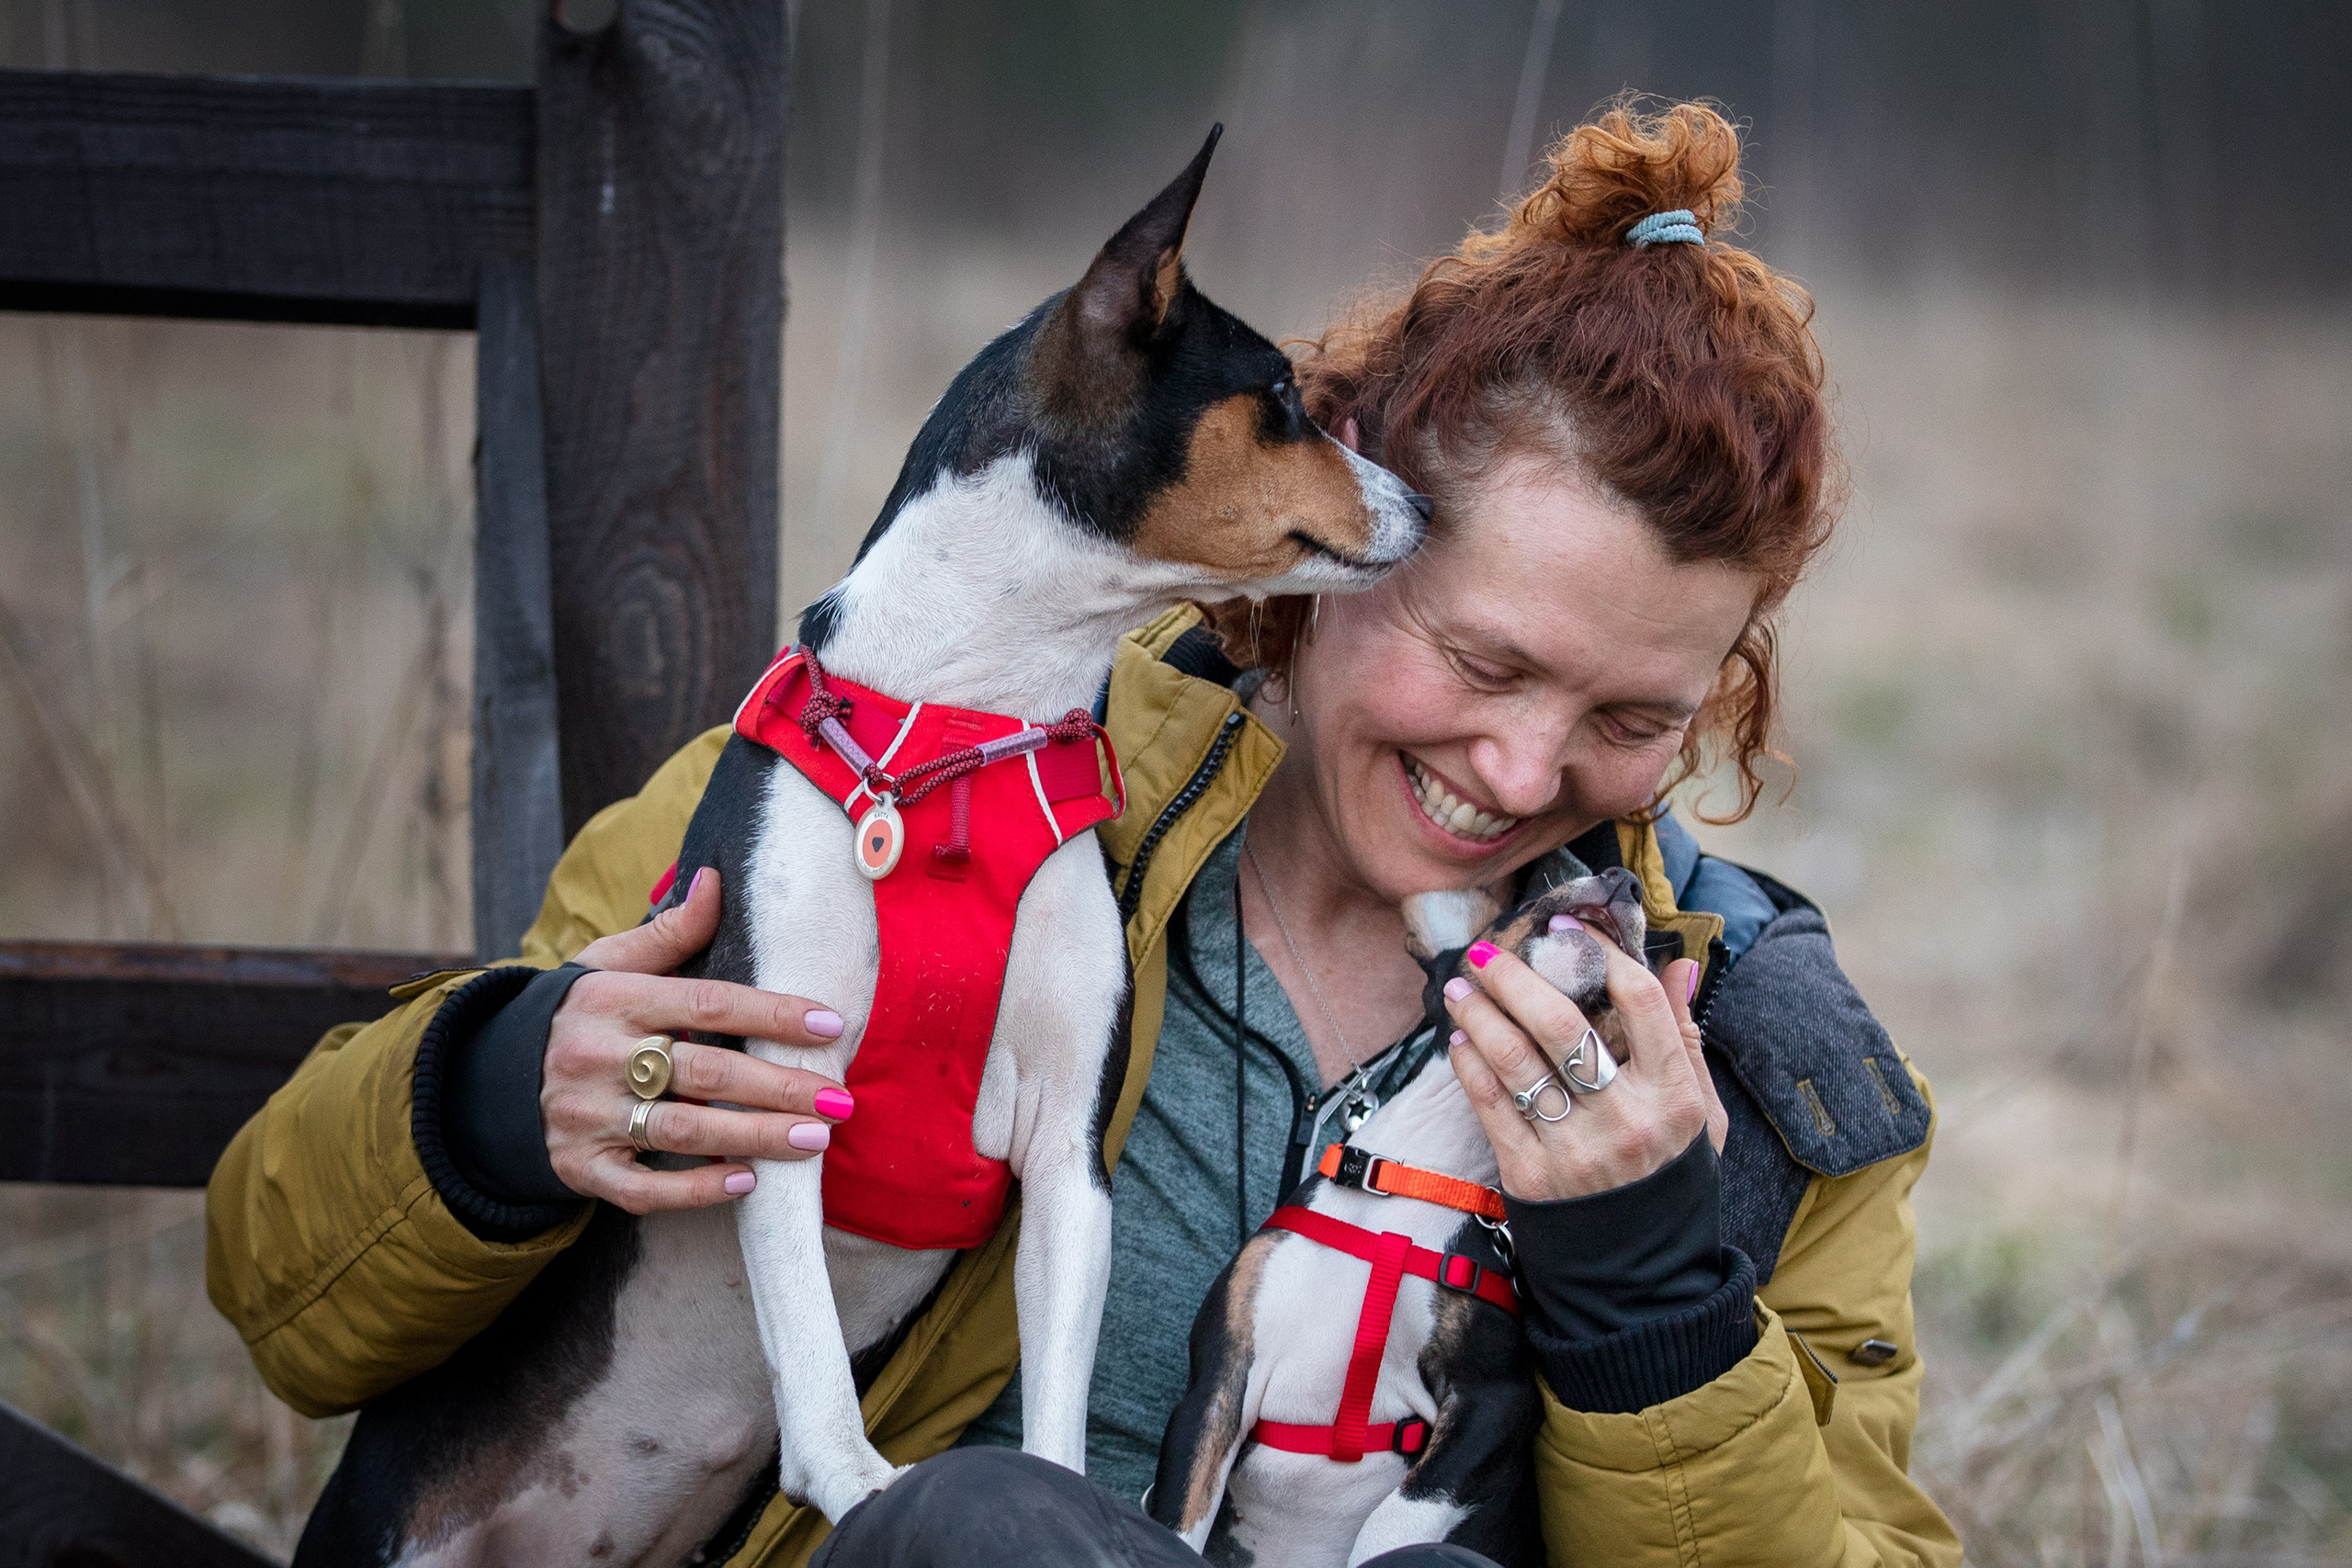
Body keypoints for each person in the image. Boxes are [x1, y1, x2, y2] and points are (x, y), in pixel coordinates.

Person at [207, 102, 1961, 1566]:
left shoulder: (1758, 1068)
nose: (1518, 771)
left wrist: (1657, 1299)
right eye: (1480, 658)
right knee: (980, 1537)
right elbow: (280, 1290)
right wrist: (510, 1097)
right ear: (1331, 534)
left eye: (1631, 719)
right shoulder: (908, 790)